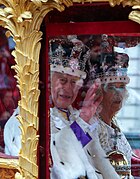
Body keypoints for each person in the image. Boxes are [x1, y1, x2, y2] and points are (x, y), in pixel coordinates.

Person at [49, 36, 120, 179]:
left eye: (74, 82)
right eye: (63, 80)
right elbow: (62, 165)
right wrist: (83, 120)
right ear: (50, 80)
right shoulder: (33, 118)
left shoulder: (74, 116)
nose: (68, 88)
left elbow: (92, 155)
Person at [85, 44, 134, 178]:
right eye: (112, 87)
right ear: (98, 92)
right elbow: (74, 143)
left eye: (122, 87)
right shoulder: (88, 123)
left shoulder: (114, 124)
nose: (119, 94)